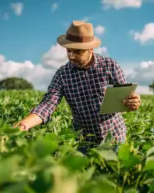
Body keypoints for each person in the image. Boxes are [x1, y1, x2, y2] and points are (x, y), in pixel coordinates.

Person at [14, 20, 141, 154]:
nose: (71, 56)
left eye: (78, 52)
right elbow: (47, 105)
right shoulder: (62, 74)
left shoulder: (110, 66)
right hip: (83, 141)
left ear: (90, 50)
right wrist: (24, 125)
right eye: (69, 51)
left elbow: (126, 96)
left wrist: (133, 102)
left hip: (114, 138)